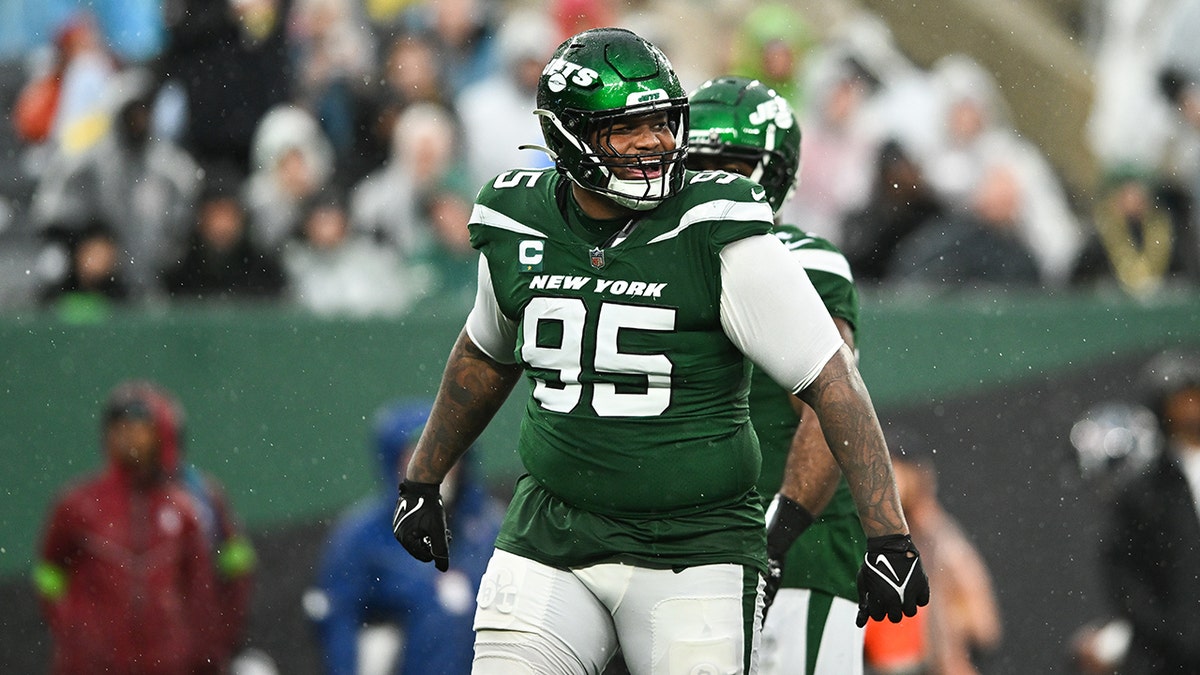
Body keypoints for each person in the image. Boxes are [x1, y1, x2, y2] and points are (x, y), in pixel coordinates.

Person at [390, 28, 927, 675]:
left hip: (693, 547)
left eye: (663, 122)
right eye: (627, 126)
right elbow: (483, 352)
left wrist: (887, 531)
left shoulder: (716, 226)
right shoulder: (519, 219)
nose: (655, 142)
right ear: (570, 135)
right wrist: (423, 476)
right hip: (554, 532)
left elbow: (831, 383)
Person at [685, 74, 871, 675]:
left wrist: (776, 534)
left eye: (734, 165)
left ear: (776, 171)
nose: (716, 182)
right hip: (688, 551)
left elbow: (830, 409)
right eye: (701, 163)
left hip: (793, 549)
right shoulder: (653, 255)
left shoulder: (805, 259)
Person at [305, 400, 502, 675]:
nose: (438, 467)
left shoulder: (491, 527)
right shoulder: (361, 536)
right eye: (420, 456)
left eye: (447, 454)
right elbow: (339, 620)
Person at [34, 380, 217, 674]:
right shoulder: (77, 504)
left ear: (161, 436)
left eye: (141, 428)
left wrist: (201, 655)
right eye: (121, 428)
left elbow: (199, 594)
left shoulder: (184, 511)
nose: (130, 437)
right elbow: (48, 572)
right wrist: (72, 627)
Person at [1098, 350, 1200, 673]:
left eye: (1195, 398)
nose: (1191, 411)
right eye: (1181, 401)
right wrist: (1174, 634)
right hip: (1168, 659)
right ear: (1161, 410)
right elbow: (1124, 575)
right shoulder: (1143, 491)